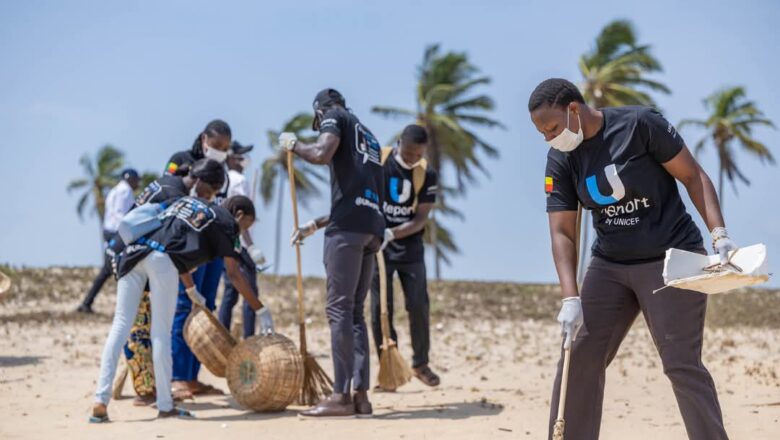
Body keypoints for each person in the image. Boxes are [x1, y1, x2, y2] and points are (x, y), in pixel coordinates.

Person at [528, 78, 733, 440]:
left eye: (552, 128)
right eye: (542, 133)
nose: (549, 138)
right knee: (578, 358)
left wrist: (719, 235)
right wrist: (570, 298)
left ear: (574, 109)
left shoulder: (640, 125)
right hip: (610, 264)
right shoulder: (560, 157)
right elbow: (562, 231)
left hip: (672, 257)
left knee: (681, 365)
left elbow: (693, 176)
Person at [90, 195, 264, 422]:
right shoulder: (226, 222)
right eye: (245, 225)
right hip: (161, 261)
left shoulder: (188, 202)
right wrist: (260, 309)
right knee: (160, 332)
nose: (241, 231)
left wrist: (191, 289)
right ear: (239, 215)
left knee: (119, 327)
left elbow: (173, 242)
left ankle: (100, 400)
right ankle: (165, 405)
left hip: (133, 252)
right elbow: (233, 273)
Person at [283, 88, 385, 418]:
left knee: (339, 310)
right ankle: (361, 397)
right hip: (372, 227)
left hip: (347, 232)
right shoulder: (367, 135)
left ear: (320, 111)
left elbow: (321, 153)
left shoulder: (335, 116)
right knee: (355, 312)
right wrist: (314, 225)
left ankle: (340, 395)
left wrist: (293, 145)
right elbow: (358, 196)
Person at [118, 159, 228, 407]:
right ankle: (148, 392)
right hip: (140, 260)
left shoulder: (169, 187)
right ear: (198, 180)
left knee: (136, 327)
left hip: (136, 256)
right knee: (142, 328)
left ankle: (139, 390)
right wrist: (190, 287)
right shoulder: (175, 195)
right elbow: (172, 246)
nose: (208, 197)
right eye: (209, 192)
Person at [163, 120, 236, 399]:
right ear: (204, 139)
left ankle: (193, 377)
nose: (220, 152)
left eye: (225, 149)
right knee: (185, 306)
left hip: (213, 250)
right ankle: (178, 376)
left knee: (206, 310)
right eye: (217, 146)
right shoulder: (180, 161)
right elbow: (168, 198)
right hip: (188, 249)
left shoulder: (223, 173)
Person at [370, 124, 441, 388]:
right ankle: (389, 367)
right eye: (409, 153)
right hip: (378, 248)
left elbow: (421, 219)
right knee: (380, 309)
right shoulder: (380, 160)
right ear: (399, 143)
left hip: (409, 248)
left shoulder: (426, 173)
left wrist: (393, 233)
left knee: (419, 304)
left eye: (417, 155)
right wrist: (376, 233)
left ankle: (420, 363)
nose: (412, 159)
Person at [218, 140, 272, 338]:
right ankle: (249, 337)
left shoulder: (223, 180)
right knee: (249, 290)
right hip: (240, 244)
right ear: (231, 158)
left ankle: (223, 335)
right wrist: (251, 247)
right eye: (240, 156)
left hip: (226, 243)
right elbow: (240, 219)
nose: (244, 160)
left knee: (230, 293)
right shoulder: (239, 180)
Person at [77, 169, 140, 313]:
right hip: (117, 233)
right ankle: (127, 307)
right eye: (137, 180)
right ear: (131, 179)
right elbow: (120, 214)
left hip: (109, 231)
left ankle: (87, 303)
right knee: (124, 269)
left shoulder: (115, 190)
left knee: (107, 270)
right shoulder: (125, 191)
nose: (138, 183)